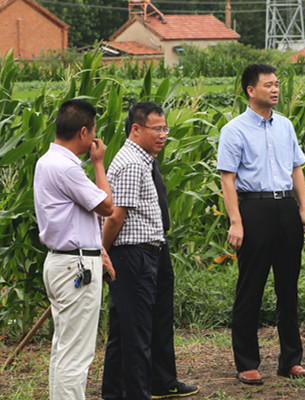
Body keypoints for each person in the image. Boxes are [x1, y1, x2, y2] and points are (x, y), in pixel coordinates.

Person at [217, 63, 305, 385]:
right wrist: (236, 222)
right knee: (251, 288)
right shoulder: (234, 130)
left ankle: (291, 361)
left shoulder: (285, 125)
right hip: (254, 209)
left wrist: (303, 209)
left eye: (277, 84)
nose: (275, 89)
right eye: (268, 85)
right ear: (250, 90)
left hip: (286, 206)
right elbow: (227, 179)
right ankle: (247, 363)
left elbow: (296, 168)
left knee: (288, 288)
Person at [101, 102, 198, 399]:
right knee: (136, 334)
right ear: (136, 129)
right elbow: (116, 216)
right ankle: (136, 393)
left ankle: (115, 392)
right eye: (157, 129)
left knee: (125, 330)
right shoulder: (132, 163)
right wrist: (102, 251)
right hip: (132, 255)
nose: (163, 135)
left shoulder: (142, 159)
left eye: (165, 129)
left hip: (145, 252)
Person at [33, 99, 114, 399]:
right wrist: (99, 164)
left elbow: (74, 218)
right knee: (76, 355)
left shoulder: (46, 161)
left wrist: (99, 251)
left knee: (64, 349)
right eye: (93, 130)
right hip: (75, 267)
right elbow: (106, 206)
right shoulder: (67, 168)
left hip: (60, 262)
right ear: (83, 132)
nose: (95, 137)